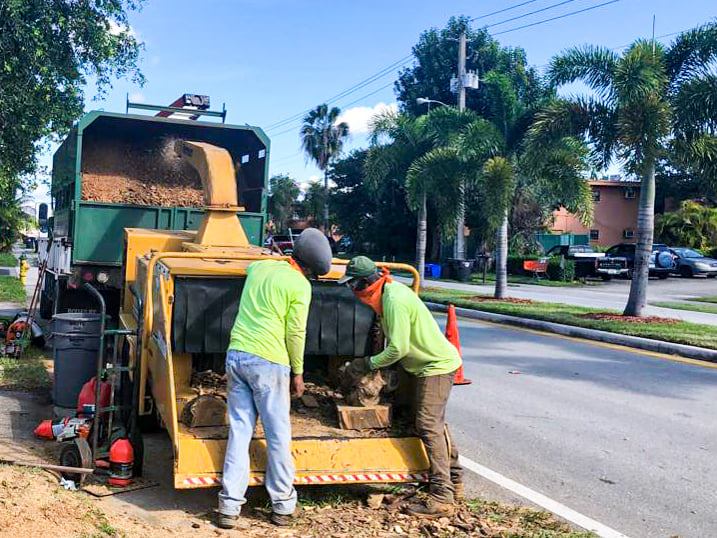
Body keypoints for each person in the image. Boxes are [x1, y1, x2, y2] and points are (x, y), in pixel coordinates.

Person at [217, 228, 332, 529]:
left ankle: (229, 508)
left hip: (236, 355)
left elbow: (253, 263)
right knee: (277, 433)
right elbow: (296, 333)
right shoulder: (300, 285)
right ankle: (282, 505)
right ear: (310, 269)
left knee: (240, 432)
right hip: (269, 362)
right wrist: (298, 371)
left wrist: (273, 256)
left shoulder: (261, 267)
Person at [339, 256, 463, 518]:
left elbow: (398, 348)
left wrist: (366, 365)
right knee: (425, 420)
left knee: (428, 424)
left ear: (364, 284)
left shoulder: (393, 299)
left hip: (435, 366)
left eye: (353, 285)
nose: (352, 291)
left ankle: (442, 496)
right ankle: (454, 479)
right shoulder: (387, 295)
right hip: (418, 366)